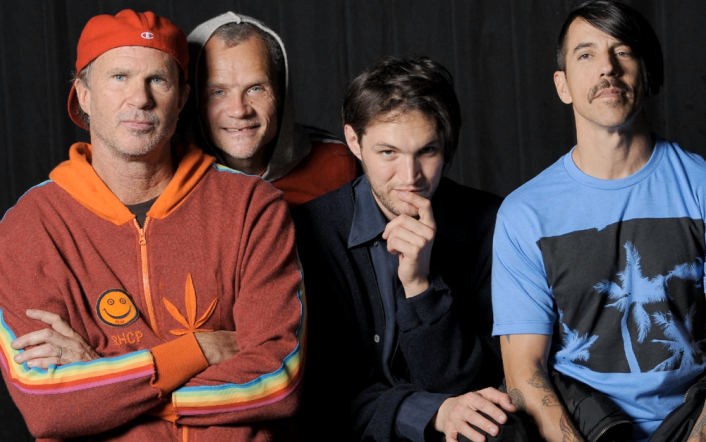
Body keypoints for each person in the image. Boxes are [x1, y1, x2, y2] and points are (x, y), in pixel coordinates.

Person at [0, 10, 305, 441]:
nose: (140, 98)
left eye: (157, 80)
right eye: (119, 77)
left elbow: (277, 381)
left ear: (181, 99)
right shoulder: (28, 226)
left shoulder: (252, 207)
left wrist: (101, 382)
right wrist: (198, 350)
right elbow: (47, 404)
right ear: (83, 94)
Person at [492, 1, 706, 441]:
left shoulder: (700, 187)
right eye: (586, 54)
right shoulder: (525, 213)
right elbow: (524, 371)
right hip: (586, 422)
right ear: (563, 85)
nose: (607, 67)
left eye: (623, 51)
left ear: (645, 73)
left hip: (693, 415)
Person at [294, 56, 522, 442]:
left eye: (427, 151)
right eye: (388, 153)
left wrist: (420, 286)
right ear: (354, 142)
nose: (410, 177)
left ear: (446, 145)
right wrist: (430, 412)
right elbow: (325, 394)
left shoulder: (493, 223)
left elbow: (476, 384)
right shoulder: (310, 231)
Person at [185, 12, 358, 208]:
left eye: (255, 89)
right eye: (218, 92)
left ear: (280, 92)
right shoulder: (168, 175)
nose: (239, 111)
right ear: (192, 99)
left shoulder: (336, 162)